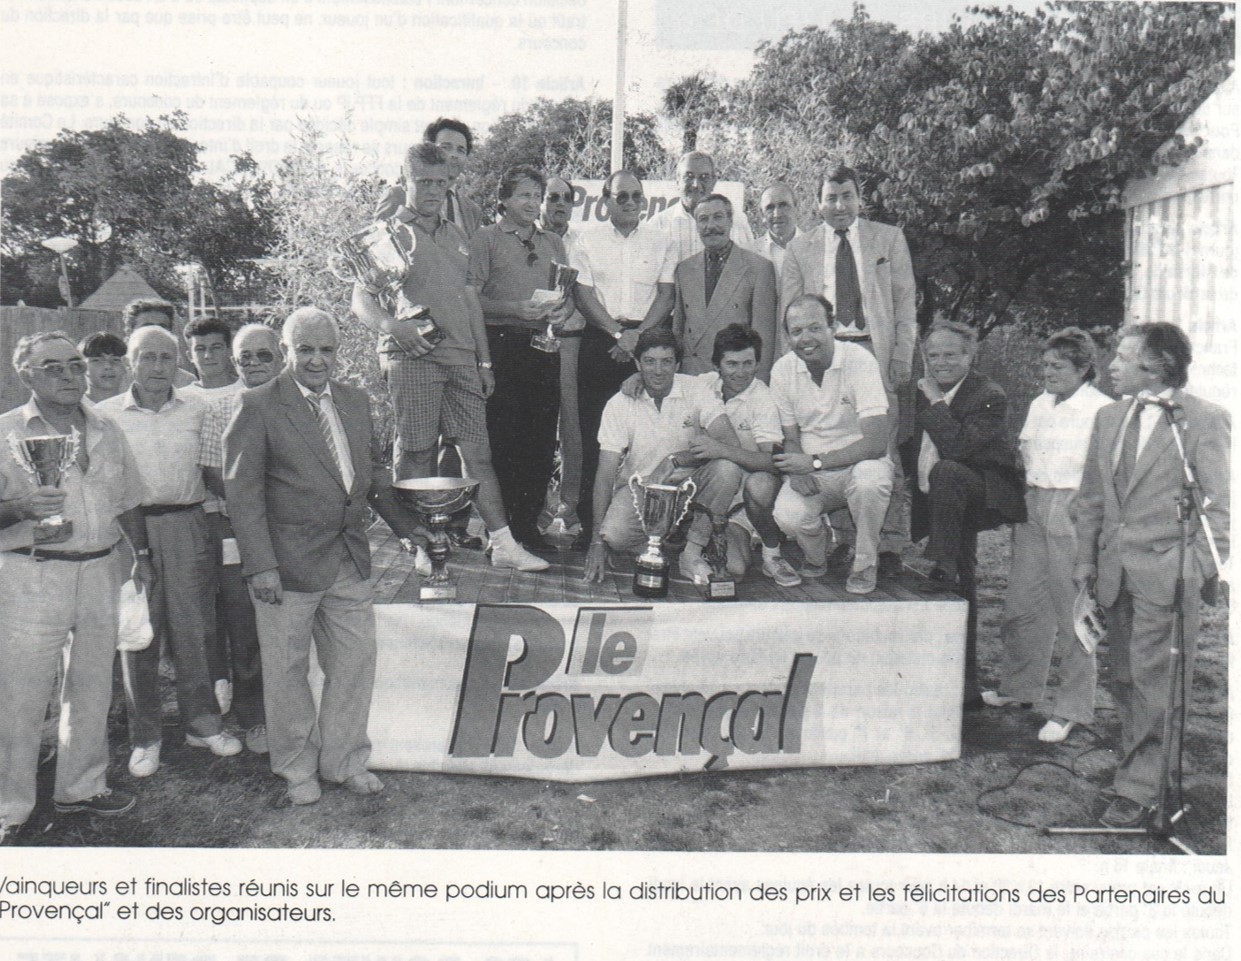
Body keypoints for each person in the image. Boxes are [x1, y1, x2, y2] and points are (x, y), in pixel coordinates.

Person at [352, 143, 548, 572]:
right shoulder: (387, 232)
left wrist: (484, 361)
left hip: (462, 358)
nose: (433, 191)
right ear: (405, 181)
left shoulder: (460, 235)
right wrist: (393, 328)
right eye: (424, 182)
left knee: (479, 455)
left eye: (442, 183)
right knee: (418, 451)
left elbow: (470, 302)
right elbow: (359, 299)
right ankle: (420, 544)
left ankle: (504, 544)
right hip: (414, 357)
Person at [222, 308, 386, 806]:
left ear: (338, 352)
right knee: (287, 671)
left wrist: (416, 529)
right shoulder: (258, 405)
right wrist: (261, 565)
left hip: (347, 559)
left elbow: (370, 477)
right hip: (285, 568)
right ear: (286, 352)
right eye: (305, 350)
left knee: (355, 664)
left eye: (327, 349)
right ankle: (297, 769)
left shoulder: (356, 402)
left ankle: (345, 761)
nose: (317, 360)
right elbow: (242, 493)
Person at [1072, 323, 1229, 828]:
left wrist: (1192, 567)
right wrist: (1086, 562)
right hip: (1114, 573)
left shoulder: (1203, 420)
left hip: (1167, 575)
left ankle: (1141, 789)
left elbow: (1222, 509)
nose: (1111, 366)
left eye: (1122, 357)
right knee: (1126, 680)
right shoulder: (1109, 417)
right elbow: (1093, 498)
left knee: (1156, 682)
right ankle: (1135, 770)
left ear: (1157, 364)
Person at [0, 333, 151, 844]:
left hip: (101, 568)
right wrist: (21, 509)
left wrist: (144, 556)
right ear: (26, 375)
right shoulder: (5, 433)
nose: (69, 376)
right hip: (31, 573)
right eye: (52, 367)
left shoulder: (107, 426)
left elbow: (129, 499)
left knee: (91, 687)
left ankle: (82, 786)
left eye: (75, 365)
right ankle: (9, 808)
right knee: (19, 696)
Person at [97, 325, 242, 778]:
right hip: (129, 529)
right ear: (130, 363)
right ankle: (147, 737)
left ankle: (202, 723)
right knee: (140, 634)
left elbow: (219, 469)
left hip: (188, 523)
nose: (158, 367)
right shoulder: (103, 415)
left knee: (195, 628)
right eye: (147, 357)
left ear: (178, 362)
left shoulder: (197, 408)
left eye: (166, 358)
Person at [780, 165, 916, 578]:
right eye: (830, 198)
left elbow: (906, 303)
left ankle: (887, 544)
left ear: (859, 199)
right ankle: (842, 539)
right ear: (818, 203)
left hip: (874, 349)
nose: (839, 205)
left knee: (881, 447)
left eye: (846, 196)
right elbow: (789, 311)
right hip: (824, 349)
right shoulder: (800, 249)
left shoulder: (887, 239)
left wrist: (902, 356)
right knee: (831, 434)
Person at [985, 328, 1112, 742]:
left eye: (1058, 366)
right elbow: (1025, 455)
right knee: (1022, 605)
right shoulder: (1041, 403)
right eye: (1045, 364)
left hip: (1074, 508)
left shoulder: (1102, 409)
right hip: (1034, 505)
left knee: (1071, 611)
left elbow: (1106, 474)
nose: (1048, 371)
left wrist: (1086, 513)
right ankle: (1019, 689)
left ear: (1083, 368)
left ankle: (1071, 708)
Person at [903, 321, 1025, 708]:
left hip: (979, 493)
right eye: (933, 355)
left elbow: (956, 447)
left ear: (970, 356)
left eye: (950, 354)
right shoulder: (923, 391)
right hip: (940, 501)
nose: (940, 362)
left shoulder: (989, 394)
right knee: (962, 587)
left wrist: (936, 401)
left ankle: (944, 561)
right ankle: (964, 686)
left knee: (949, 472)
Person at [747, 295, 893, 595]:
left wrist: (814, 462)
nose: (806, 338)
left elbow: (877, 443)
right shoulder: (783, 369)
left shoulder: (859, 360)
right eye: (797, 331)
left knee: (870, 484)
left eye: (815, 328)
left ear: (832, 326)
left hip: (859, 463)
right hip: (814, 468)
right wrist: (798, 470)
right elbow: (789, 435)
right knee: (787, 516)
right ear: (787, 337)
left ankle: (865, 563)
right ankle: (819, 555)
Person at [583, 327, 745, 586]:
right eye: (649, 362)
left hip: (691, 484)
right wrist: (596, 540)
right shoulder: (619, 403)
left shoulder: (697, 389)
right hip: (641, 489)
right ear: (637, 363)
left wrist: (676, 459)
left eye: (666, 362)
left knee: (727, 468)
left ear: (677, 364)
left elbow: (729, 444)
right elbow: (604, 476)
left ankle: (691, 552)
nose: (658, 371)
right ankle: (662, 541)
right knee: (614, 535)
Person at [468, 165, 572, 545]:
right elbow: (471, 300)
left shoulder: (553, 243)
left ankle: (528, 525)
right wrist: (513, 309)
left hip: (544, 350)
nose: (533, 202)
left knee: (542, 441)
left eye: (536, 195)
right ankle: (503, 531)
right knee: (504, 441)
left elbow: (564, 296)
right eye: (524, 195)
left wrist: (562, 312)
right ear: (505, 200)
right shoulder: (486, 239)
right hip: (501, 345)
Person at [570, 170, 678, 537]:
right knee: (595, 436)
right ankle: (592, 527)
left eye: (636, 195)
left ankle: (653, 526)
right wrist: (618, 333)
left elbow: (666, 295)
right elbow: (583, 296)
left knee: (654, 434)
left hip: (649, 341)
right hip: (601, 339)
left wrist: (638, 338)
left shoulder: (663, 240)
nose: (631, 202)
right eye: (622, 196)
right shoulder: (586, 239)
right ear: (605, 201)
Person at [198, 323, 285, 755]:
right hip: (240, 530)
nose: (252, 364)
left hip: (297, 533)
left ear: (280, 356)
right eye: (243, 357)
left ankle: (295, 712)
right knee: (246, 628)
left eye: (262, 355)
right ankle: (254, 717)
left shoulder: (299, 402)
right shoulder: (224, 408)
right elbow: (216, 474)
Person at [180, 315, 244, 714]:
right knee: (204, 610)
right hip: (193, 518)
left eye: (216, 347)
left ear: (229, 350)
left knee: (241, 607)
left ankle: (249, 692)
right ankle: (217, 682)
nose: (208, 356)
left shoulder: (246, 392)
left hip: (234, 519)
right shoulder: (181, 397)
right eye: (200, 349)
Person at [672, 194, 777, 381]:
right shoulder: (684, 269)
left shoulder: (758, 268)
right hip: (691, 379)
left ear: (730, 221)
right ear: (696, 225)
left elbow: (764, 339)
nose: (711, 226)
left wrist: (758, 385)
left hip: (735, 379)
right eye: (703, 219)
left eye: (718, 217)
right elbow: (678, 331)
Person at [537, 175, 587, 543]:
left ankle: (569, 507)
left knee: (573, 427)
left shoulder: (582, 243)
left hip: (571, 341)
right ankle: (536, 510)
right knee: (535, 428)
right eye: (552, 197)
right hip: (530, 341)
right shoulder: (527, 239)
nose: (559, 204)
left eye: (565, 198)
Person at [375, 118, 485, 235]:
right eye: (446, 147)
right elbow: (377, 245)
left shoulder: (473, 211)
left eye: (461, 150)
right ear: (429, 150)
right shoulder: (397, 195)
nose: (454, 155)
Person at [648, 151, 754, 263]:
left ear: (714, 182)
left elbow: (750, 267)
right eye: (688, 177)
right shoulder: (658, 225)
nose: (696, 185)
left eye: (704, 177)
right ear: (677, 181)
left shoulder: (737, 220)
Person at [120, 298, 196, 388]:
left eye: (161, 327)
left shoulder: (185, 382)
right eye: (147, 327)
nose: (155, 332)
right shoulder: (114, 379)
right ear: (129, 332)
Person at [753, 182, 802, 280]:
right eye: (770, 208)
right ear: (762, 214)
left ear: (796, 208)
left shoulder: (818, 248)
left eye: (784, 205)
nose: (777, 214)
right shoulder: (750, 254)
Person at [79, 331, 128, 404]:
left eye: (115, 359)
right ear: (82, 366)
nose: (108, 366)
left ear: (126, 365)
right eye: (97, 360)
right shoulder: (75, 407)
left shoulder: (136, 406)